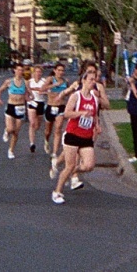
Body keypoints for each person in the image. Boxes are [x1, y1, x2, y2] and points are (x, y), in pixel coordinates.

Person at [52, 70, 103, 204]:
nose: (93, 82)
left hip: (86, 136)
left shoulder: (95, 98)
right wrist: (81, 113)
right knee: (69, 166)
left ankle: (69, 173)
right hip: (73, 135)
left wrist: (97, 125)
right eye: (91, 79)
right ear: (83, 81)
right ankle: (57, 192)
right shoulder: (76, 96)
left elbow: (95, 114)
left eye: (95, 80)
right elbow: (67, 113)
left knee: (89, 165)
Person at [0, 65, 31, 159]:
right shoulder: (9, 82)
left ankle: (11, 150)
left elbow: (27, 94)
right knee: (11, 128)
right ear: (14, 70)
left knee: (16, 132)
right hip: (11, 106)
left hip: (21, 107)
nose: (20, 72)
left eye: (21, 70)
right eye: (18, 70)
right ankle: (6, 131)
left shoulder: (25, 82)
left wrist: (30, 97)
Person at [42, 63, 69, 157]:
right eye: (59, 70)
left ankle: (54, 152)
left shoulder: (65, 81)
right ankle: (46, 141)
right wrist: (54, 85)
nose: (61, 72)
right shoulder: (50, 79)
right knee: (48, 131)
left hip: (61, 107)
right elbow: (42, 88)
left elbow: (69, 92)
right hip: (50, 106)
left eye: (62, 70)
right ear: (55, 70)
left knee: (58, 129)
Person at [26, 65, 47, 153]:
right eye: (36, 72)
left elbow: (48, 91)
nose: (38, 73)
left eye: (39, 72)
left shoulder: (44, 81)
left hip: (41, 102)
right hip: (32, 102)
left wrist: (43, 92)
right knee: (32, 123)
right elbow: (25, 92)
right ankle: (32, 143)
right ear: (33, 73)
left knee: (37, 125)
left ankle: (33, 132)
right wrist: (28, 98)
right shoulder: (29, 81)